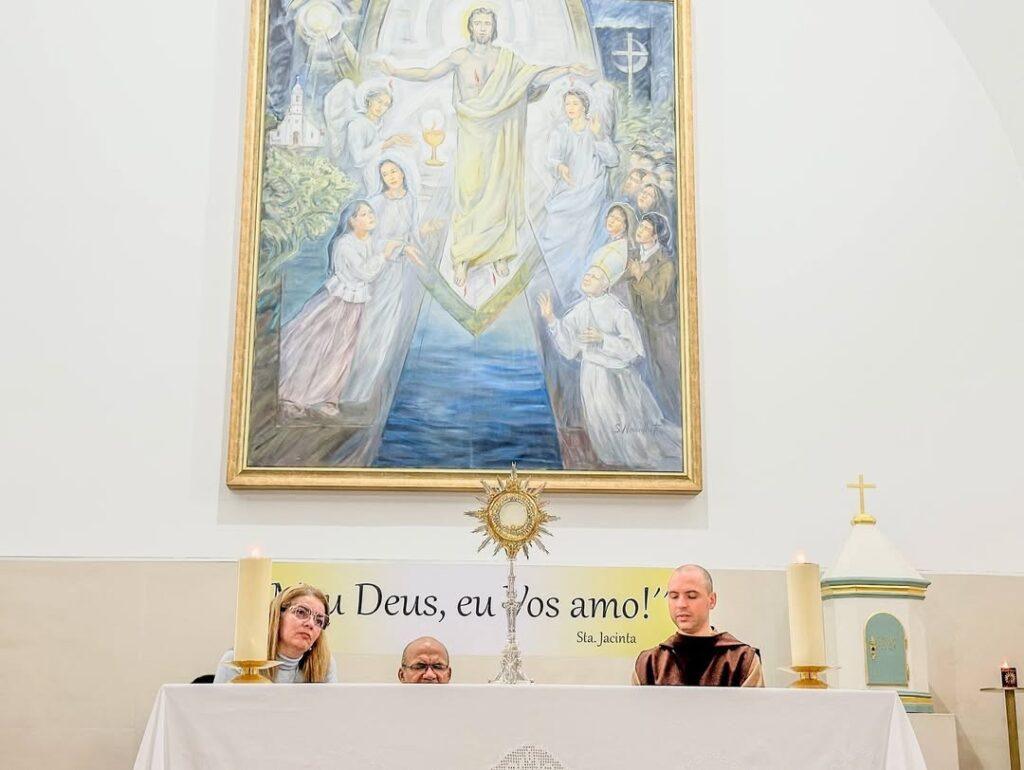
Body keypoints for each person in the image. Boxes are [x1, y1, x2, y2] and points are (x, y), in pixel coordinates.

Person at [382, 7, 591, 286]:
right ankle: (463, 257)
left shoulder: (507, 59)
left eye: (487, 23)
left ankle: (499, 253)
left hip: (501, 134)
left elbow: (533, 78)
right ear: (470, 27)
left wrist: (566, 69)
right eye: (478, 23)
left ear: (494, 28)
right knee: (469, 194)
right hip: (472, 132)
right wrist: (396, 70)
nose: (482, 27)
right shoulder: (460, 56)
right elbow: (428, 73)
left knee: (500, 192)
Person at [538, 266, 682, 470]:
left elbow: (635, 350)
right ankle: (613, 462)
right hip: (591, 377)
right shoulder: (580, 310)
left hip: (617, 379)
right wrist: (551, 319)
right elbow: (568, 347)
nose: (588, 277)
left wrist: (603, 339)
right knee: (601, 426)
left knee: (628, 432)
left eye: (595, 276)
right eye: (587, 274)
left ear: (605, 286)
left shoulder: (618, 311)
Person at [277, 199, 407, 417]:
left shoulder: (369, 240)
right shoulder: (344, 244)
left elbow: (387, 251)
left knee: (342, 353)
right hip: (336, 303)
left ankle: (328, 397)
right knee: (318, 346)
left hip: (355, 305)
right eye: (364, 214)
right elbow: (365, 272)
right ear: (352, 221)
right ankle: (292, 396)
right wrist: (384, 255)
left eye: (371, 213)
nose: (370, 217)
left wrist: (397, 250)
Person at [342, 158, 425, 404]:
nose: (391, 177)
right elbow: (371, 241)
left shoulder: (413, 200)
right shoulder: (376, 203)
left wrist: (423, 234)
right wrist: (400, 248)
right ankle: (354, 392)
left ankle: (378, 392)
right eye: (386, 174)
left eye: (394, 171)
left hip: (404, 273)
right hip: (381, 272)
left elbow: (414, 234)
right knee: (372, 328)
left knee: (394, 331)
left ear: (403, 172)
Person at [538, 86, 619, 304]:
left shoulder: (595, 128)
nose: (570, 108)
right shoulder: (560, 132)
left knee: (582, 246)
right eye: (567, 104)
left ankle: (578, 293)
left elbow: (613, 160)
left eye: (575, 103)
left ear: (585, 106)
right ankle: (561, 290)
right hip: (567, 195)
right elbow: (551, 161)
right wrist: (560, 167)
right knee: (555, 238)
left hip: (590, 197)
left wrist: (599, 136)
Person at [633, 565, 763, 687]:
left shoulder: (742, 660)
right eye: (674, 596)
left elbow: (753, 704)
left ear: (712, 600)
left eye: (691, 596)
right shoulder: (648, 663)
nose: (681, 604)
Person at [213, 584, 338, 683]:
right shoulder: (238, 661)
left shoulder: (324, 664)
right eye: (301, 612)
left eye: (319, 620)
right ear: (277, 615)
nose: (310, 624)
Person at [627, 212, 681, 416]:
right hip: (640, 324)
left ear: (656, 236)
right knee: (648, 378)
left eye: (646, 228)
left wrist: (640, 276)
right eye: (640, 226)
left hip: (662, 328)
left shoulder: (666, 263)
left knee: (667, 375)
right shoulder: (633, 256)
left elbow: (657, 295)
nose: (639, 230)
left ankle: (678, 416)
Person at [323, 80, 413, 192]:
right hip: (356, 182)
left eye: (386, 105)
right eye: (379, 101)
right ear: (369, 100)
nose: (381, 107)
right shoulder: (357, 124)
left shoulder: (377, 125)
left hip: (372, 179)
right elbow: (358, 159)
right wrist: (387, 143)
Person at [589, 203, 637, 288]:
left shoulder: (622, 249)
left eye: (618, 219)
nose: (611, 221)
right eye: (611, 216)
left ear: (625, 226)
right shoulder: (608, 241)